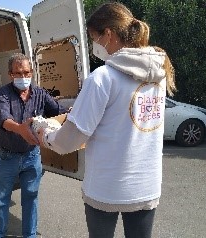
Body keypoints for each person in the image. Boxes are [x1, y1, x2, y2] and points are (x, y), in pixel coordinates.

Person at [36, 2, 176, 238]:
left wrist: (46, 133)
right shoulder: (158, 75)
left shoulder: (102, 77)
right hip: (146, 186)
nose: (94, 45)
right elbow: (122, 121)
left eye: (93, 37)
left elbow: (69, 141)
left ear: (108, 34)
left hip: (106, 189)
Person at [0, 53, 67, 238]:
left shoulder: (40, 93)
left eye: (26, 72)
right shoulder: (3, 93)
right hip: (7, 156)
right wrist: (20, 128)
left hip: (32, 156)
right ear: (10, 74)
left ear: (32, 72)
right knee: (1, 200)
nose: (23, 77)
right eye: (18, 73)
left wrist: (72, 113)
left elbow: (57, 111)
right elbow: (4, 119)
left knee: (31, 198)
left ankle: (30, 235)